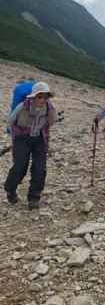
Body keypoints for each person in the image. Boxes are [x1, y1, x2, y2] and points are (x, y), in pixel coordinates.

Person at [4, 81, 57, 209]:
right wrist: (15, 138)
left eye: (45, 97)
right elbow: (10, 121)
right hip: (22, 138)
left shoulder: (49, 108)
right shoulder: (22, 106)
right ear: (33, 96)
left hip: (39, 139)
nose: (43, 99)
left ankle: (34, 198)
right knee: (20, 167)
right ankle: (10, 189)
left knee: (40, 168)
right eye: (40, 96)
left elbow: (52, 122)